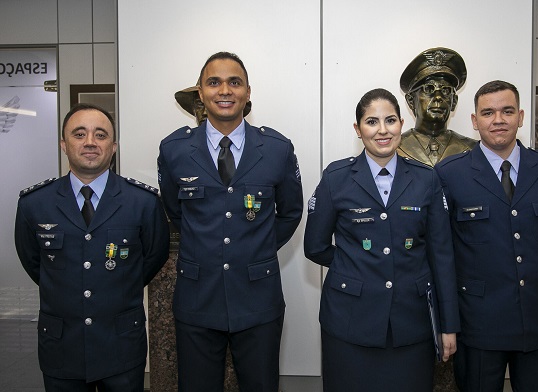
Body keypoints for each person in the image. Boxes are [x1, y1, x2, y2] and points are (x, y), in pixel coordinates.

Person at [157, 51, 303, 392]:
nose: (225, 90)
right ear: (200, 92)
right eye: (214, 82)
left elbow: (290, 212)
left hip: (257, 297)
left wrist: (255, 248)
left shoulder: (277, 149)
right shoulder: (175, 149)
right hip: (197, 298)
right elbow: (175, 211)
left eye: (234, 82)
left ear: (248, 92)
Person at [304, 88, 460, 392]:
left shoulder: (426, 179)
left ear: (401, 123)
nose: (382, 130)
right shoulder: (336, 178)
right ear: (358, 129)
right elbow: (315, 246)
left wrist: (449, 325)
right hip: (350, 321)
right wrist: (354, 266)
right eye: (371, 122)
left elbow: (442, 256)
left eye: (390, 120)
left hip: (411, 323)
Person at [435, 80, 538, 392]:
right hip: (478, 324)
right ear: (474, 121)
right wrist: (447, 320)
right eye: (488, 113)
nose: (498, 120)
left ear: (521, 116)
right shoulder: (450, 174)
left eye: (507, 111)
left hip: (537, 319)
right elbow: (441, 254)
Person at [14, 103, 170, 392]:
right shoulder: (34, 204)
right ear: (64, 144)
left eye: (100, 135)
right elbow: (34, 262)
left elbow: (153, 257)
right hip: (62, 346)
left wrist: (117, 282)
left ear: (113, 146)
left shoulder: (143, 203)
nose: (89, 142)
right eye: (79, 134)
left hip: (121, 344)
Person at [398, 47, 477, 167]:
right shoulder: (395, 148)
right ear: (410, 101)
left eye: (445, 90)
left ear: (454, 102)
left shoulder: (473, 149)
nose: (438, 97)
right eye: (428, 89)